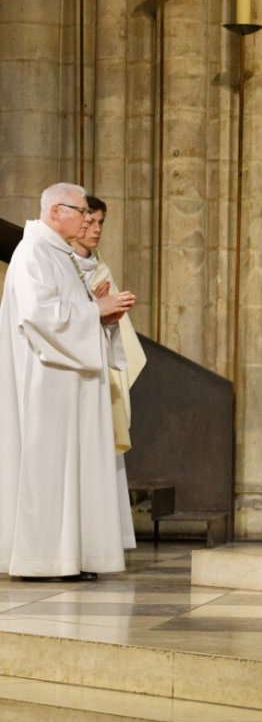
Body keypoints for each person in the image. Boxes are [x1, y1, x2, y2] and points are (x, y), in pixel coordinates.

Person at [0, 183, 137, 580]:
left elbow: (73, 310)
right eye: (81, 211)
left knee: (72, 469)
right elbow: (41, 315)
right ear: (57, 211)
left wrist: (103, 316)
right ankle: (45, 560)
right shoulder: (32, 252)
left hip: (69, 380)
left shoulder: (61, 255)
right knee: (51, 470)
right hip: (48, 383)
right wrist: (96, 309)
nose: (87, 219)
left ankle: (71, 557)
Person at [72, 195, 147, 551]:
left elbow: (117, 329)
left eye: (102, 223)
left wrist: (108, 314)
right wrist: (92, 307)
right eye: (92, 222)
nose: (97, 229)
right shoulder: (58, 263)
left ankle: (104, 540)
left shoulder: (100, 269)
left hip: (100, 372)